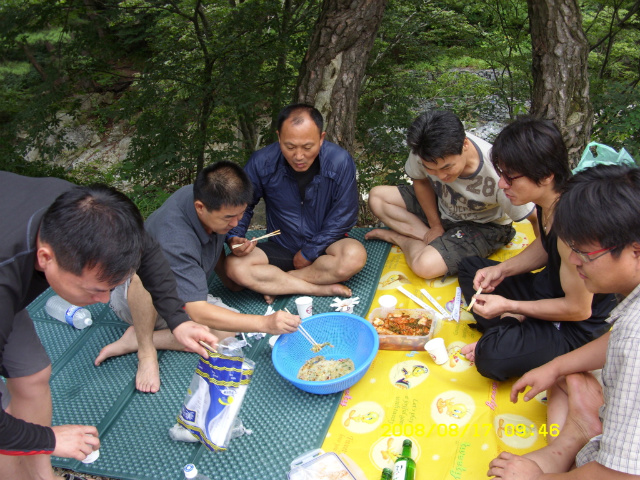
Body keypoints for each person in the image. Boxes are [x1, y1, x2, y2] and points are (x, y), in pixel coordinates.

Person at [0, 171, 216, 480]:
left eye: (111, 289)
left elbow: (148, 252)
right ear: (46, 258)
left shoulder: (93, 218)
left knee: (32, 374)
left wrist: (178, 320)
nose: (104, 300)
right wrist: (49, 438)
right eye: (94, 290)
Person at [487, 164, 640, 480]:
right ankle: (579, 430)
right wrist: (555, 367)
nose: (572, 261)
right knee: (565, 376)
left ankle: (575, 437)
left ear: (635, 251)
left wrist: (536, 479)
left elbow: (622, 476)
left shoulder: (633, 338)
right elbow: (617, 341)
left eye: (584, 253)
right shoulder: (630, 324)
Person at [95, 161, 300, 393]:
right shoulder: (174, 237)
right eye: (229, 218)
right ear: (200, 207)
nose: (236, 223)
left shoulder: (206, 197)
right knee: (145, 276)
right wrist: (265, 323)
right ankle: (145, 349)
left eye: (241, 214)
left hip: (181, 292)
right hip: (136, 300)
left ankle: (137, 339)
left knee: (227, 332)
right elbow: (197, 311)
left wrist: (231, 270)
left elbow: (216, 240)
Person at [458, 117, 617, 382]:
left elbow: (579, 310)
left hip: (572, 326)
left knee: (491, 358)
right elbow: (546, 244)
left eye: (510, 178)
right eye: (501, 175)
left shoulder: (573, 226)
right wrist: (501, 270)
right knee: (471, 269)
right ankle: (514, 329)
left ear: (545, 175)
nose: (502, 184)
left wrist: (511, 307)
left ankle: (510, 327)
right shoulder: (549, 200)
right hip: (548, 289)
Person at [365, 110, 538, 279]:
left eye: (447, 167)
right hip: (442, 204)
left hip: (484, 225)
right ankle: (434, 239)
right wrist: (435, 225)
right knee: (378, 197)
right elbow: (421, 181)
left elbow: (535, 218)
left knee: (424, 266)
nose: (440, 176)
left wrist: (549, 258)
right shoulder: (424, 148)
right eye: (431, 169)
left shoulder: (496, 172)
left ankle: (400, 238)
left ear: (465, 144)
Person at [225, 104, 367, 303]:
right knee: (233, 266)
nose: (299, 156)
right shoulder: (262, 161)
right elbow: (242, 204)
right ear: (279, 137)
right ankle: (318, 287)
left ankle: (281, 282)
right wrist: (235, 236)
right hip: (282, 244)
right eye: (290, 147)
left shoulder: (339, 161)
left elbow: (345, 214)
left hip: (325, 245)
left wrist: (310, 251)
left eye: (307, 147)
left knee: (354, 256)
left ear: (321, 138)